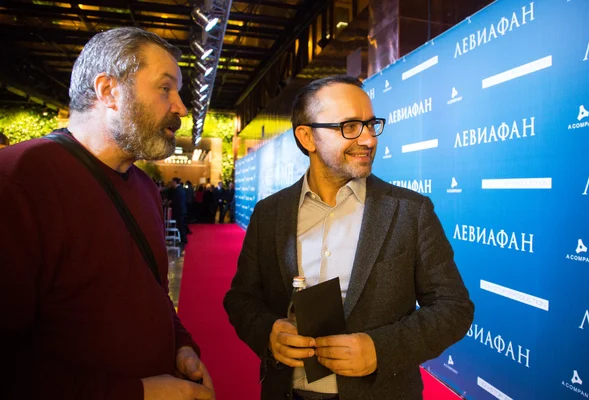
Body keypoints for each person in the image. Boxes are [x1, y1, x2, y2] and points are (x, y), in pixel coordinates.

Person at [223, 75, 474, 400]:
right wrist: (269, 333)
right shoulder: (269, 214)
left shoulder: (410, 212)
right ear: (307, 137)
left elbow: (453, 308)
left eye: (371, 125)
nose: (368, 139)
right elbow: (241, 299)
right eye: (350, 126)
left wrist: (378, 349)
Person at [0, 27, 214, 400]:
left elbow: (154, 290)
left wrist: (181, 345)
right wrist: (136, 393)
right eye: (165, 88)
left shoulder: (144, 187)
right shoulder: (20, 178)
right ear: (108, 91)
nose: (180, 107)